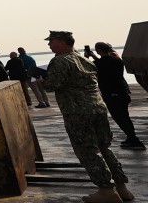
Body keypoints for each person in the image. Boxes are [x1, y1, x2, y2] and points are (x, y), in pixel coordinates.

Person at [41, 30, 133, 203]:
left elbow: (51, 85)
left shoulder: (61, 61)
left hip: (77, 111)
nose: (49, 44)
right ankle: (122, 188)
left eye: (51, 41)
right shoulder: (84, 59)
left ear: (61, 42)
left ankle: (106, 190)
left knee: (88, 151)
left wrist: (41, 80)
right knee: (104, 148)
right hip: (97, 108)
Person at [89, 42, 145, 150]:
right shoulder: (118, 60)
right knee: (125, 117)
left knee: (120, 119)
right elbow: (104, 62)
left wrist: (90, 57)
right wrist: (95, 56)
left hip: (112, 95)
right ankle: (131, 137)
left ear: (99, 50)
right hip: (122, 93)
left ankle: (134, 140)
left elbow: (97, 65)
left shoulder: (99, 64)